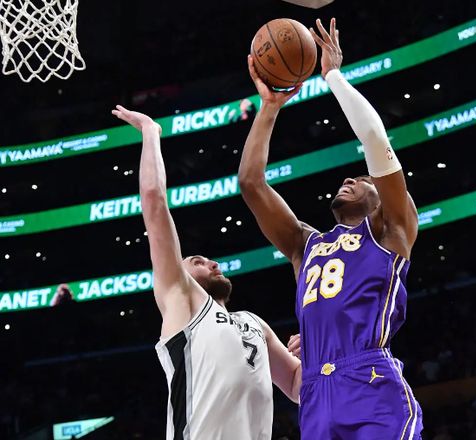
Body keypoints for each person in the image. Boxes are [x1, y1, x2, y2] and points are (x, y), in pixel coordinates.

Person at [239, 18, 423, 439]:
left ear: (381, 197)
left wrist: (333, 76)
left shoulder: (391, 229)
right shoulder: (306, 244)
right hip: (315, 392)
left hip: (369, 380)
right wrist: (269, 108)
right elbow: (251, 183)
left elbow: (374, 139)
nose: (349, 178)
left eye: (362, 179)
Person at [112, 105, 302, 440]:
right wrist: (151, 132)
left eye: (210, 260)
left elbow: (298, 387)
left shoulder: (254, 323)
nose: (212, 263)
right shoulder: (182, 298)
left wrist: (318, 351)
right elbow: (154, 201)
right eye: (197, 261)